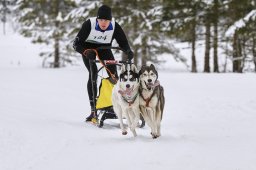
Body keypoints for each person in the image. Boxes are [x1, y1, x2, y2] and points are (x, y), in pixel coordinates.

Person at [73, 4, 134, 122]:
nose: (103, 23)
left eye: (106, 20)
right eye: (101, 19)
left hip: (104, 49)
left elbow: (123, 43)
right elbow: (75, 44)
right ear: (97, 19)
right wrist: (85, 52)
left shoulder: (115, 26)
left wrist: (128, 51)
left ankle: (117, 105)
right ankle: (93, 110)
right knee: (93, 73)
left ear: (110, 20)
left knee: (114, 76)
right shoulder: (89, 24)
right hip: (88, 50)